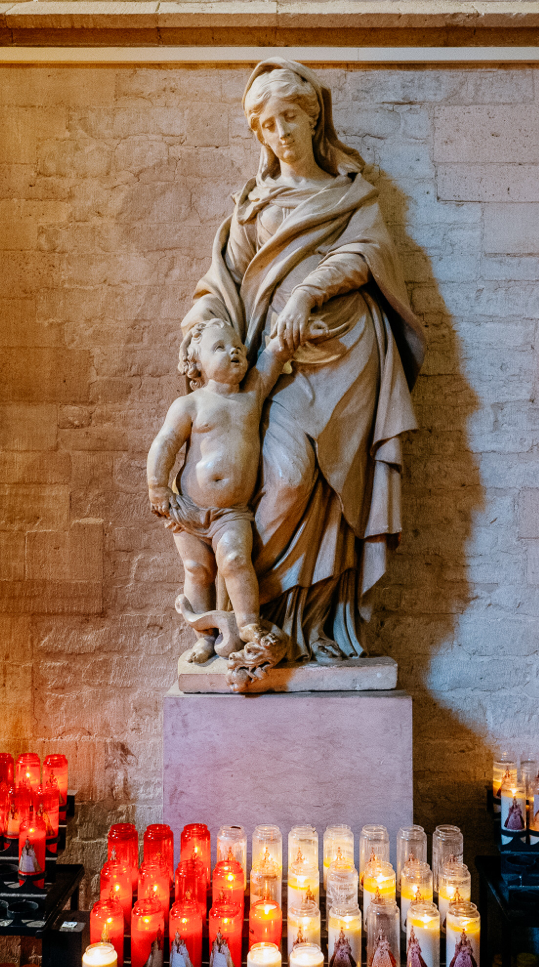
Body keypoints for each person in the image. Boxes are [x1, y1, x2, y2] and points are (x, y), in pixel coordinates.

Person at [180, 58, 424, 662]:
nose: (280, 132)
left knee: (325, 489)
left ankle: (315, 629)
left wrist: (311, 289)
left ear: (313, 120)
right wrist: (206, 335)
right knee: (280, 480)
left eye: (289, 117)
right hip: (269, 364)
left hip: (343, 354)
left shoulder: (349, 195)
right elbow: (221, 290)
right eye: (266, 124)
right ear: (259, 135)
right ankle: (253, 623)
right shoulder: (250, 210)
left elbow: (369, 255)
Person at [148, 317, 293, 663]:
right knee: (198, 572)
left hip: (231, 513)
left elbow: (273, 353)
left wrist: (291, 327)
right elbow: (166, 443)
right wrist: (157, 487)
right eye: (221, 347)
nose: (234, 352)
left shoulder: (252, 392)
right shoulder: (191, 404)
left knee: (235, 560)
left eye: (238, 348)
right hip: (187, 508)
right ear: (197, 363)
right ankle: (203, 637)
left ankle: (248, 626)